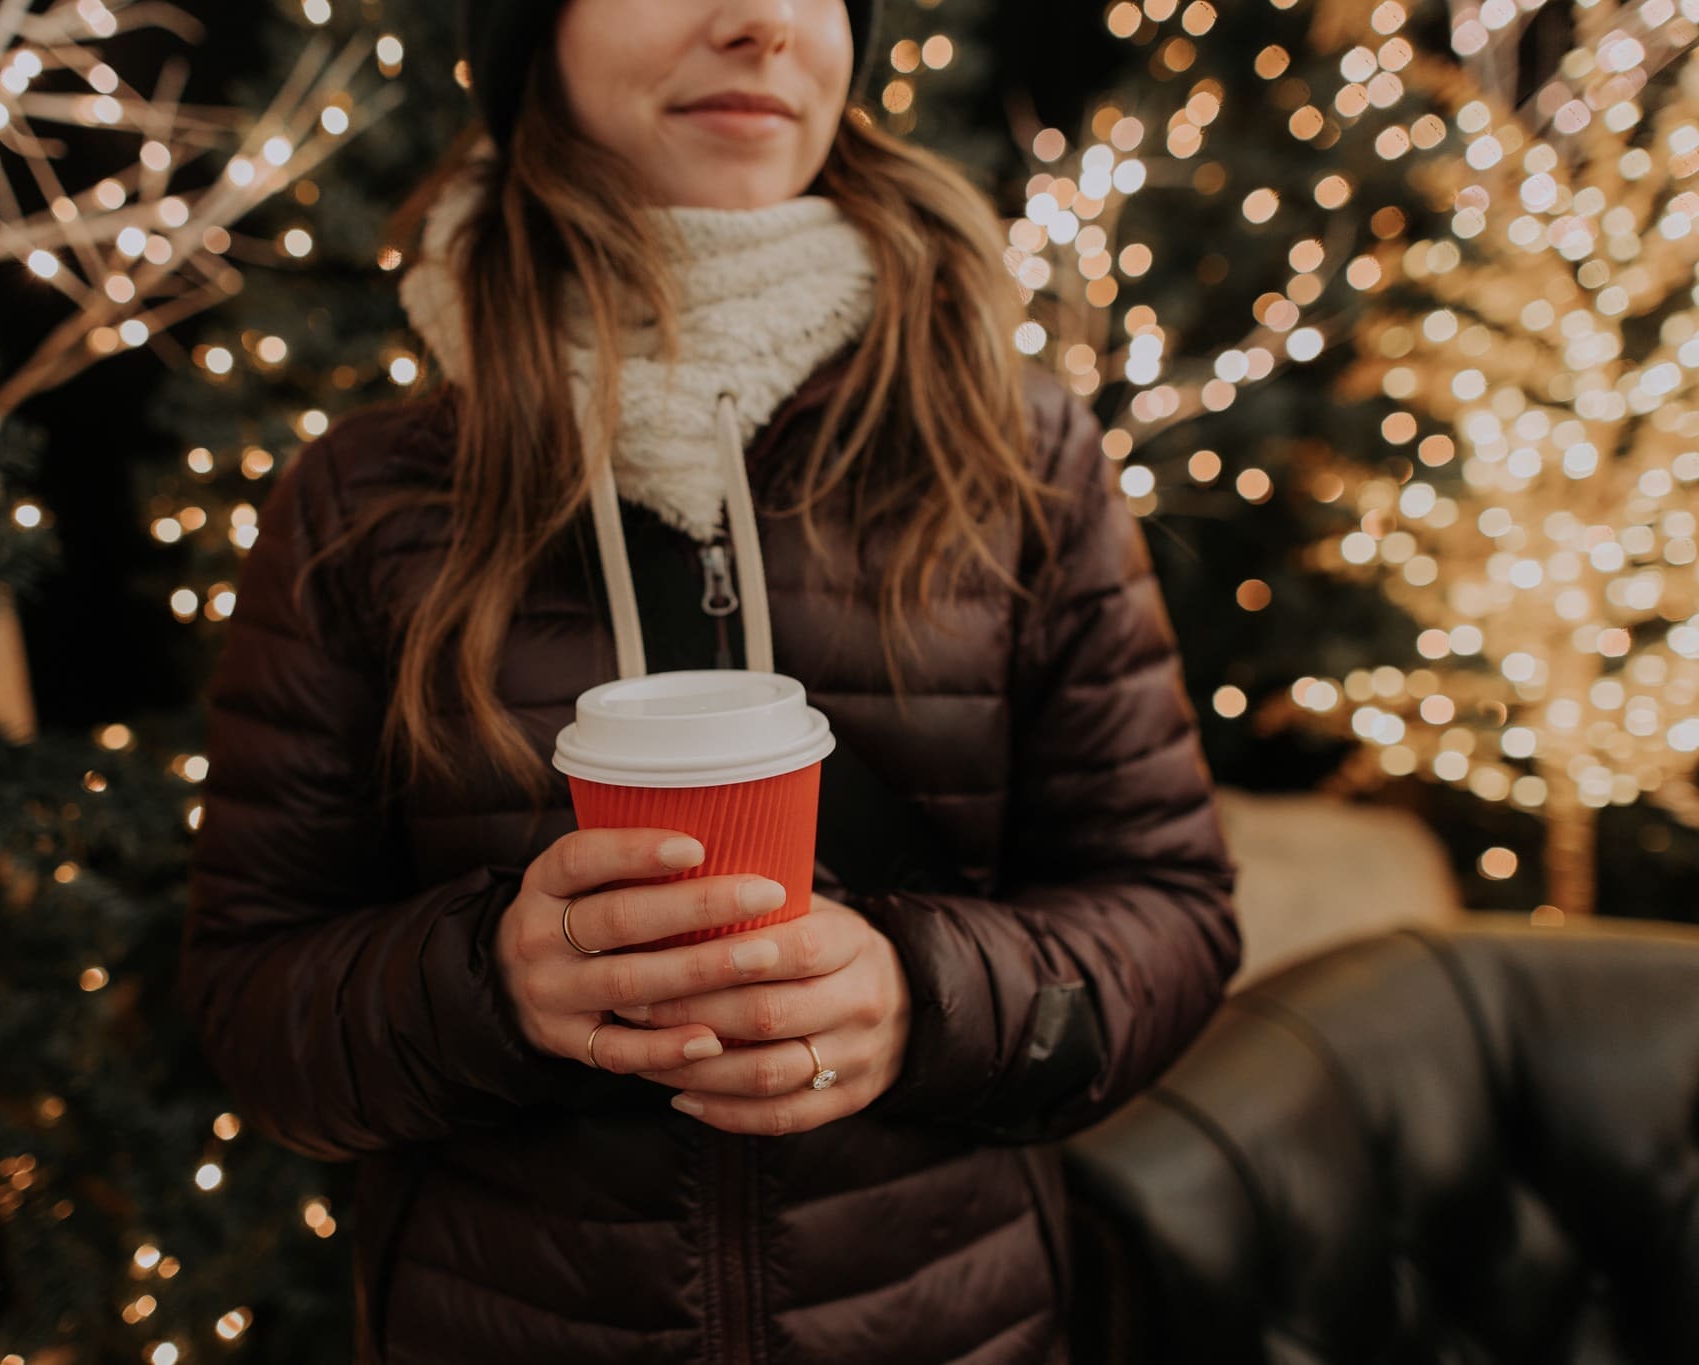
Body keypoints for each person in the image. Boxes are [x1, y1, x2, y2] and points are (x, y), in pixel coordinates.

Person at [180, 1, 1242, 1361]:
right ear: (533, 36)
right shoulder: (367, 496)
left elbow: (1174, 911)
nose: (758, 23)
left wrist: (924, 999)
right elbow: (252, 1001)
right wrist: (490, 980)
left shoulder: (1016, 448)